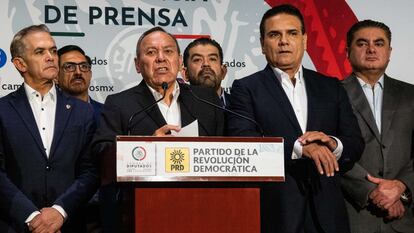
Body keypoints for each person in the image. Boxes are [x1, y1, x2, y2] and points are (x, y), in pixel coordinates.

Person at [226, 4, 364, 233]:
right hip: (278, 212)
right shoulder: (246, 88)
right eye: (274, 34)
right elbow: (244, 142)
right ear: (262, 44)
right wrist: (299, 148)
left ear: (305, 40)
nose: (283, 41)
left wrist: (332, 144)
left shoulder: (331, 86)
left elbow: (355, 142)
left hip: (329, 214)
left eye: (292, 33)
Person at [92, 26, 224, 232]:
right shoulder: (119, 104)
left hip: (202, 208)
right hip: (143, 211)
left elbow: (225, 148)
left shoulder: (206, 100)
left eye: (168, 51)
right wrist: (146, 147)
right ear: (137, 65)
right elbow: (103, 154)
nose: (161, 58)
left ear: (180, 61)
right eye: (151, 53)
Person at [0, 24, 98, 233]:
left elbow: (90, 171)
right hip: (16, 225)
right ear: (20, 64)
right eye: (40, 52)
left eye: (53, 50)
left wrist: (60, 211)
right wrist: (32, 217)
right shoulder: (2, 110)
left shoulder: (83, 112)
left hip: (69, 224)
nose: (51, 57)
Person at [341, 19, 414, 233]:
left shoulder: (411, 95)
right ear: (347, 51)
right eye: (362, 43)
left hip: (405, 217)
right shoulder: (329, 94)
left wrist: (401, 187)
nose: (371, 49)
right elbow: (330, 150)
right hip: (353, 217)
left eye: (379, 43)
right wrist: (373, 191)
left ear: (389, 51)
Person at [57, 45, 103, 123]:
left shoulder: (106, 113)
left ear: (90, 74)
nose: (78, 72)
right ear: (56, 76)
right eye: (69, 67)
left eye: (84, 66)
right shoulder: (48, 113)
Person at [182, 37, 230, 107]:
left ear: (223, 72)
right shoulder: (176, 108)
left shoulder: (241, 106)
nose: (206, 64)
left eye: (212, 59)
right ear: (185, 74)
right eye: (197, 60)